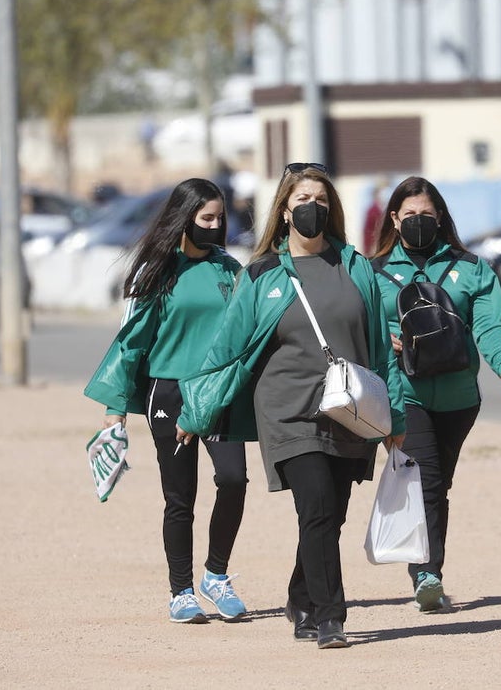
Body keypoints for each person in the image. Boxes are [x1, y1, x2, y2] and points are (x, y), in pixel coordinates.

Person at [175, 162, 406, 649]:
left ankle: (300, 596)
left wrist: (395, 417)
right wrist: (194, 413)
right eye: (302, 201)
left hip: (350, 409)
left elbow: (380, 349)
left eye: (321, 201)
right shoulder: (261, 275)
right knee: (317, 506)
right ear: (283, 211)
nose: (312, 210)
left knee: (330, 514)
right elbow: (225, 348)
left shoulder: (355, 266)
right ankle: (330, 618)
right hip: (288, 412)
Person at [83, 178, 252, 625]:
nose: (216, 226)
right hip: (171, 393)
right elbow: (131, 343)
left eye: (220, 218)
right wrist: (114, 409)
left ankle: (216, 574)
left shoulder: (229, 269)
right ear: (185, 218)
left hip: (217, 392)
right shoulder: (158, 271)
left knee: (234, 479)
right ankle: (180, 591)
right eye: (207, 218)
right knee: (181, 497)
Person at [370, 176, 501, 612]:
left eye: (427, 215)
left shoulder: (472, 268)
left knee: (438, 485)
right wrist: (387, 337)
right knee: (426, 482)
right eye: (410, 215)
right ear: (395, 220)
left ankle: (426, 565)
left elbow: (490, 326)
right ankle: (427, 573)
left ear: (440, 218)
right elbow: (362, 324)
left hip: (459, 398)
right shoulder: (374, 270)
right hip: (405, 393)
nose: (419, 222)